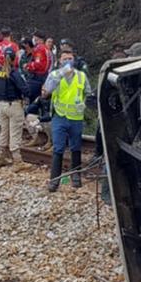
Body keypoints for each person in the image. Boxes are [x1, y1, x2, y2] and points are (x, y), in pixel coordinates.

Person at [42, 50, 93, 191]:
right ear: (59, 61)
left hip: (76, 118)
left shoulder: (81, 76)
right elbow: (45, 92)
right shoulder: (54, 75)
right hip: (60, 116)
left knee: (76, 147)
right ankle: (55, 180)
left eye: (70, 58)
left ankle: (75, 176)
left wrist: (85, 104)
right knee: (58, 148)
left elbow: (88, 93)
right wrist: (57, 78)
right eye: (65, 59)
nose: (68, 61)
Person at [0, 48, 28, 168]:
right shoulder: (14, 72)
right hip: (14, 105)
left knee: (4, 132)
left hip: (1, 105)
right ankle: (17, 161)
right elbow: (24, 89)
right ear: (14, 58)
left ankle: (0, 158)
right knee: (15, 133)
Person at [24, 33, 51, 104]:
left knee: (33, 99)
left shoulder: (39, 49)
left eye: (35, 39)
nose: (34, 40)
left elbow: (38, 64)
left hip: (37, 77)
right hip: (44, 75)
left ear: (40, 40)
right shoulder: (46, 48)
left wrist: (28, 66)